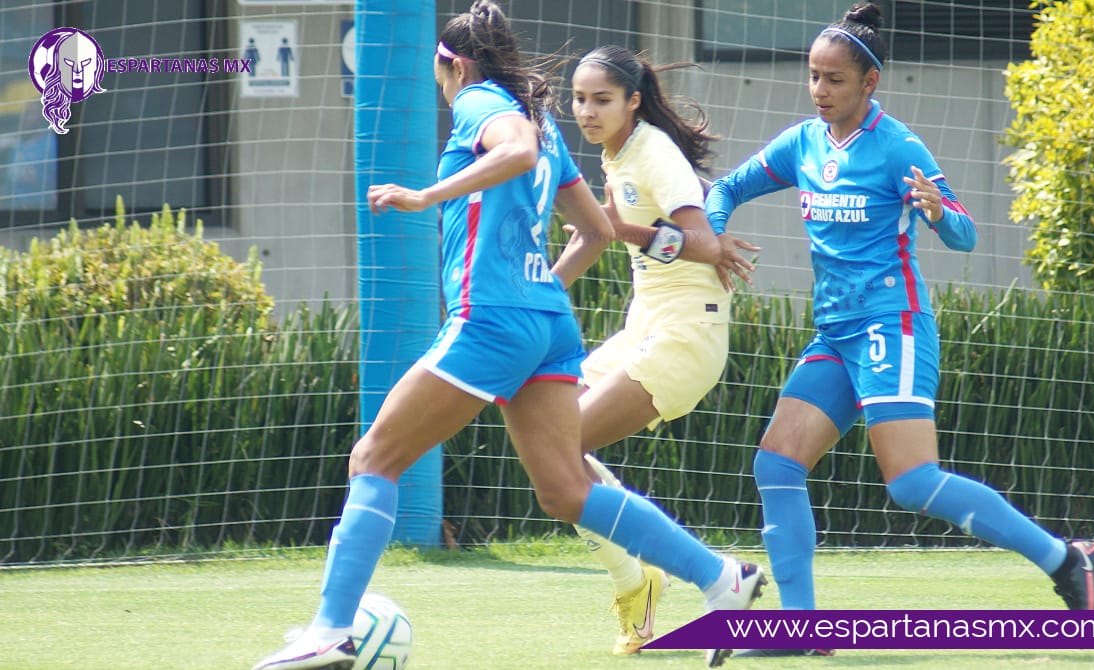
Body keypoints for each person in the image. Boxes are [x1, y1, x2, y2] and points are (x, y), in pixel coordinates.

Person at [251, 4, 765, 669]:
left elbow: (514, 151)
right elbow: (599, 230)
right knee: (566, 491)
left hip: (491, 317)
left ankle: (330, 629)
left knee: (374, 458)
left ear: (453, 64)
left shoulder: (484, 104)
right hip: (544, 321)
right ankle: (721, 579)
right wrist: (534, 292)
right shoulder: (545, 123)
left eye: (440, 73)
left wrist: (425, 196)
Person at [704, 2, 1094, 662]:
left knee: (912, 483)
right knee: (775, 463)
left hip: (895, 324)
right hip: (835, 334)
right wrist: (714, 231)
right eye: (813, 76)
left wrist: (936, 208)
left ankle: (1065, 560)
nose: (820, 91)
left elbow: (967, 233)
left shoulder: (898, 146)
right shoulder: (802, 143)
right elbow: (726, 188)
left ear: (870, 84)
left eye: (834, 79)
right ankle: (800, 633)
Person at [567, 45, 761, 657]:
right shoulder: (615, 152)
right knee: (543, 433)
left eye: (601, 99)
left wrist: (615, 226)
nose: (588, 111)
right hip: (645, 326)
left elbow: (702, 241)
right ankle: (641, 579)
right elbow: (598, 234)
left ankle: (698, 577)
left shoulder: (651, 150)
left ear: (633, 101)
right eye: (579, 99)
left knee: (559, 450)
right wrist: (538, 292)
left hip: (685, 333)